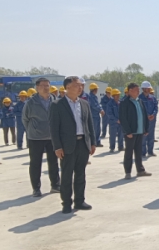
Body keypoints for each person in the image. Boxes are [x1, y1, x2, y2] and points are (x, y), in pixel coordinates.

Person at [50, 76, 96, 213]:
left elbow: (90, 124)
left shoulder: (84, 104)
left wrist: (92, 142)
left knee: (81, 174)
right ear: (68, 87)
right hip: (67, 145)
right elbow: (54, 128)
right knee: (66, 175)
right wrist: (57, 147)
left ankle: (79, 201)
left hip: (83, 143)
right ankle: (66, 203)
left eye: (81, 85)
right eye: (77, 85)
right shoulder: (57, 105)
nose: (80, 88)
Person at [22, 77, 60, 197]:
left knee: (54, 162)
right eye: (42, 86)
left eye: (47, 85)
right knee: (35, 163)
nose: (45, 88)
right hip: (36, 138)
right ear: (37, 88)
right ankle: (36, 188)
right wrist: (33, 130)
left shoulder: (56, 101)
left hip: (52, 137)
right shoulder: (31, 103)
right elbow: (25, 119)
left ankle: (55, 185)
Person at [119, 83, 152, 179]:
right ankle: (128, 172)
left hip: (140, 131)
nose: (138, 92)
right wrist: (127, 131)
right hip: (131, 132)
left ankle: (140, 170)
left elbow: (144, 115)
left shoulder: (139, 101)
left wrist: (146, 128)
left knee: (138, 152)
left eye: (138, 90)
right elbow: (123, 118)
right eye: (136, 90)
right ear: (130, 91)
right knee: (129, 152)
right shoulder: (124, 102)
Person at [138, 81, 159, 158]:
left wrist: (153, 114)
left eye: (149, 88)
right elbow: (139, 109)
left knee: (151, 135)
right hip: (143, 121)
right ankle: (143, 152)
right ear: (143, 89)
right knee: (143, 136)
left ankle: (150, 151)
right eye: (148, 88)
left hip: (152, 120)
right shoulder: (139, 98)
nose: (149, 89)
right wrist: (146, 115)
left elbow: (156, 107)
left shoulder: (152, 98)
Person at [87, 83, 104, 148]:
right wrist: (100, 110)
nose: (97, 90)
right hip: (93, 116)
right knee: (94, 130)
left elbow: (98, 104)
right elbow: (94, 105)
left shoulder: (94, 96)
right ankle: (93, 142)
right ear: (93, 89)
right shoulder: (90, 97)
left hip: (96, 115)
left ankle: (97, 142)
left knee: (98, 129)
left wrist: (101, 109)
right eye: (96, 89)